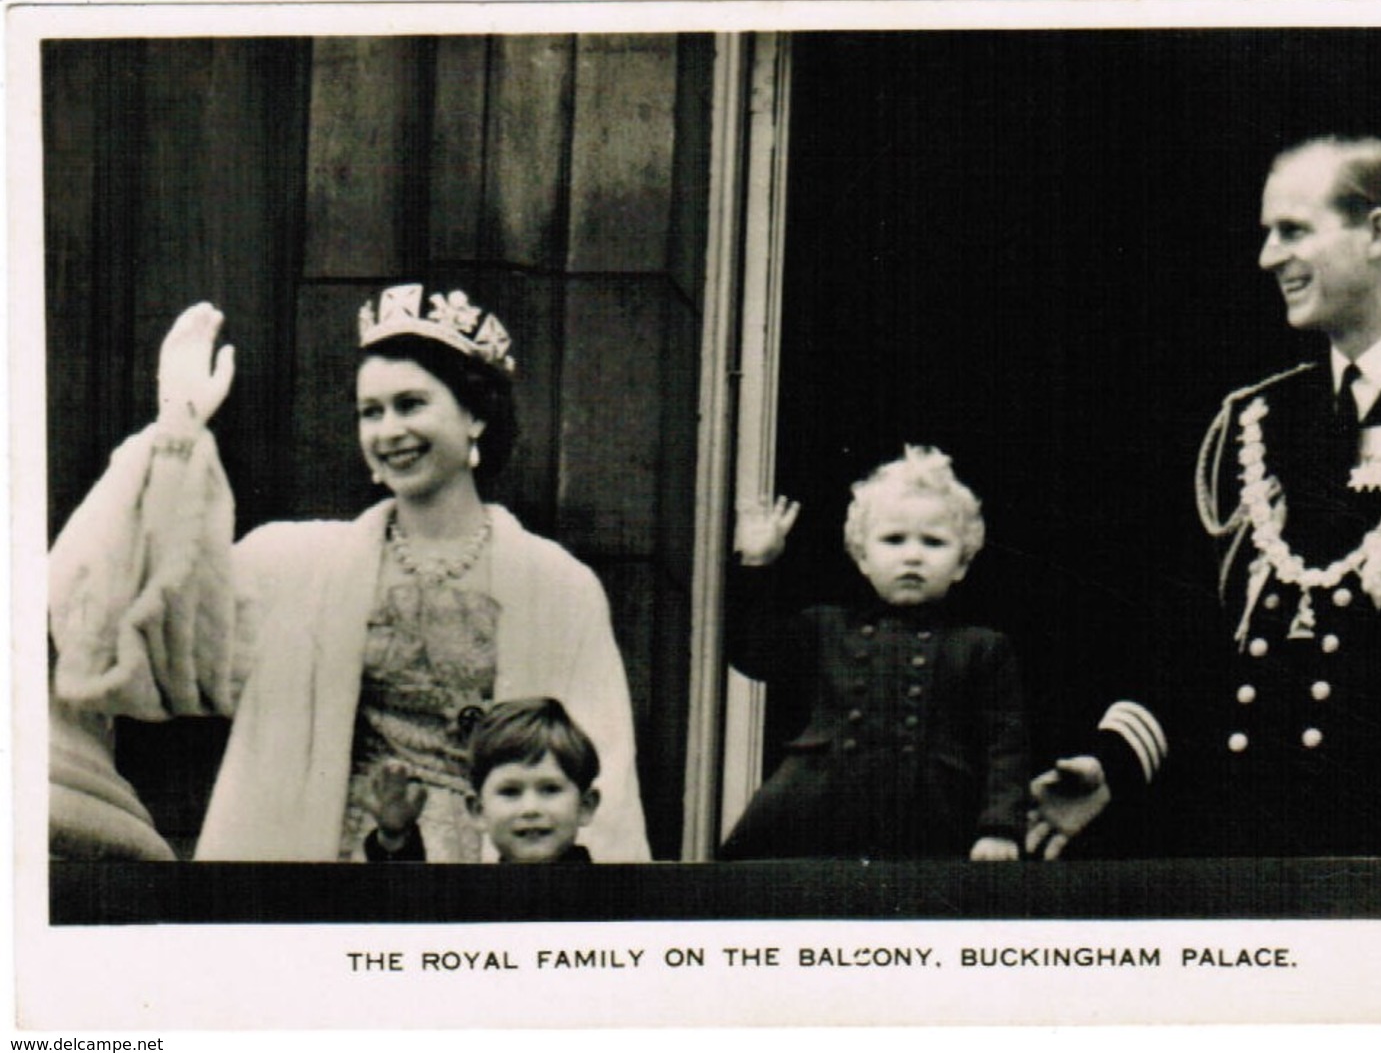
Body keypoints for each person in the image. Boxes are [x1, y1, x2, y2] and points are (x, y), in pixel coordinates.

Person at [1028, 135, 1381, 858]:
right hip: (1243, 846)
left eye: (1292, 231)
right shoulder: (1252, 423)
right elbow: (1190, 635)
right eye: (1266, 234)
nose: (1267, 257)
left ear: (1376, 233)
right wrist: (1114, 762)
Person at [48, 284, 651, 862]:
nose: (390, 432)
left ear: (474, 416)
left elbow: (606, 781)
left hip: (489, 881)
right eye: (372, 412)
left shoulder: (558, 586)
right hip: (328, 869)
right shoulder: (294, 564)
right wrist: (177, 429)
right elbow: (147, 625)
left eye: (411, 405)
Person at [719, 445, 1028, 860]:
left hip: (934, 822)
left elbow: (1004, 746)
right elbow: (752, 655)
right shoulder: (823, 628)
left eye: (934, 542)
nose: (913, 555)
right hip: (814, 817)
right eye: (894, 539)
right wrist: (757, 564)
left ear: (962, 563)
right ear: (862, 556)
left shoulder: (982, 647)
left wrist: (999, 826)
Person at [364, 697, 601, 864]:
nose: (530, 809)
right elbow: (410, 908)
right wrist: (395, 840)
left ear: (585, 806)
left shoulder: (611, 897)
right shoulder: (471, 896)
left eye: (550, 789)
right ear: (478, 811)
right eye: (510, 791)